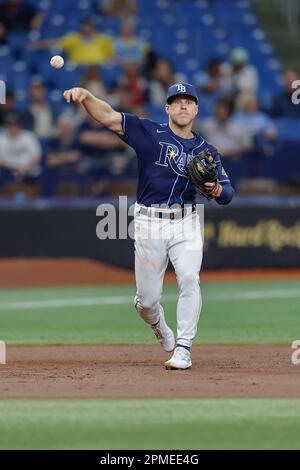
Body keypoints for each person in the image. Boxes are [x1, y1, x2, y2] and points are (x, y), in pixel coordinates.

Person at [63, 82, 234, 370]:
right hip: (149, 222)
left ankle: (184, 348)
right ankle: (157, 324)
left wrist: (216, 189)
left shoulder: (207, 151)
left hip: (187, 221)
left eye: (188, 101)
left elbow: (228, 194)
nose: (183, 106)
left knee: (190, 278)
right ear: (167, 107)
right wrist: (87, 96)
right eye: (176, 101)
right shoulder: (148, 133)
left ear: (196, 109)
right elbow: (107, 116)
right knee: (147, 301)